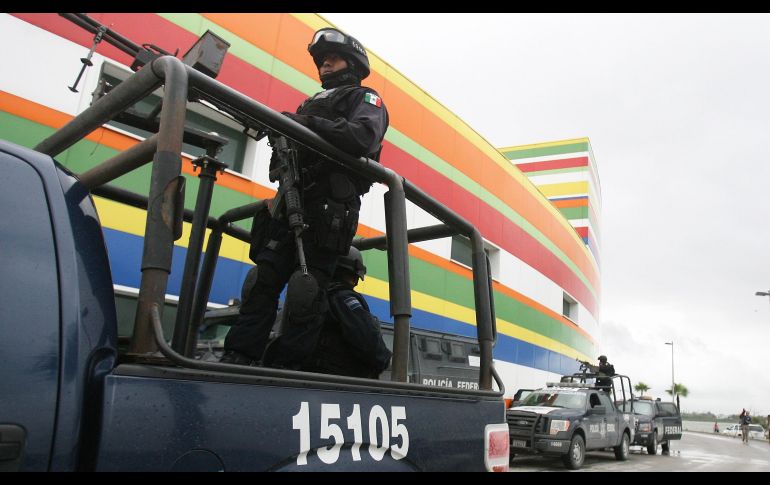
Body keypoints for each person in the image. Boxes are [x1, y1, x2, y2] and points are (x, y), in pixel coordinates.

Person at [220, 27, 389, 366]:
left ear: (352, 63)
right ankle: (238, 357)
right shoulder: (310, 103)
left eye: (333, 59)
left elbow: (363, 138)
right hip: (289, 204)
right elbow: (279, 162)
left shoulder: (366, 99)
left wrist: (304, 123)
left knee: (306, 292)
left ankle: (287, 368)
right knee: (260, 284)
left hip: (329, 212)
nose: (325, 66)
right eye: (322, 61)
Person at [263, 246, 392, 378]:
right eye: (354, 279)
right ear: (348, 275)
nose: (355, 284)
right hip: (335, 383)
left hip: (303, 376)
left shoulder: (308, 297)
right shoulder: (343, 297)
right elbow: (369, 343)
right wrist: (385, 360)